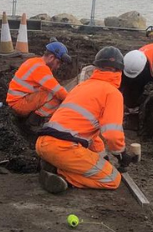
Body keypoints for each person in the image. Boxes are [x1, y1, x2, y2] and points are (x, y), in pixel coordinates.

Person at [34, 46, 133, 193]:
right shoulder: (112, 93)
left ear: (96, 67)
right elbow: (112, 134)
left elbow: (92, 135)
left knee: (99, 165)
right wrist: (121, 153)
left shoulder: (82, 87)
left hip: (43, 144)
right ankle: (61, 175)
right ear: (119, 71)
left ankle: (52, 165)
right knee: (112, 178)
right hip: (64, 149)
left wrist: (102, 158)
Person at [5, 40, 72, 124]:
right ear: (51, 57)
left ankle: (33, 118)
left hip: (17, 101)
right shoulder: (41, 68)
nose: (58, 67)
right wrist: (73, 100)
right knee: (56, 97)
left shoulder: (34, 61)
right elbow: (58, 91)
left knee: (49, 91)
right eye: (58, 63)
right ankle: (35, 120)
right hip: (19, 104)